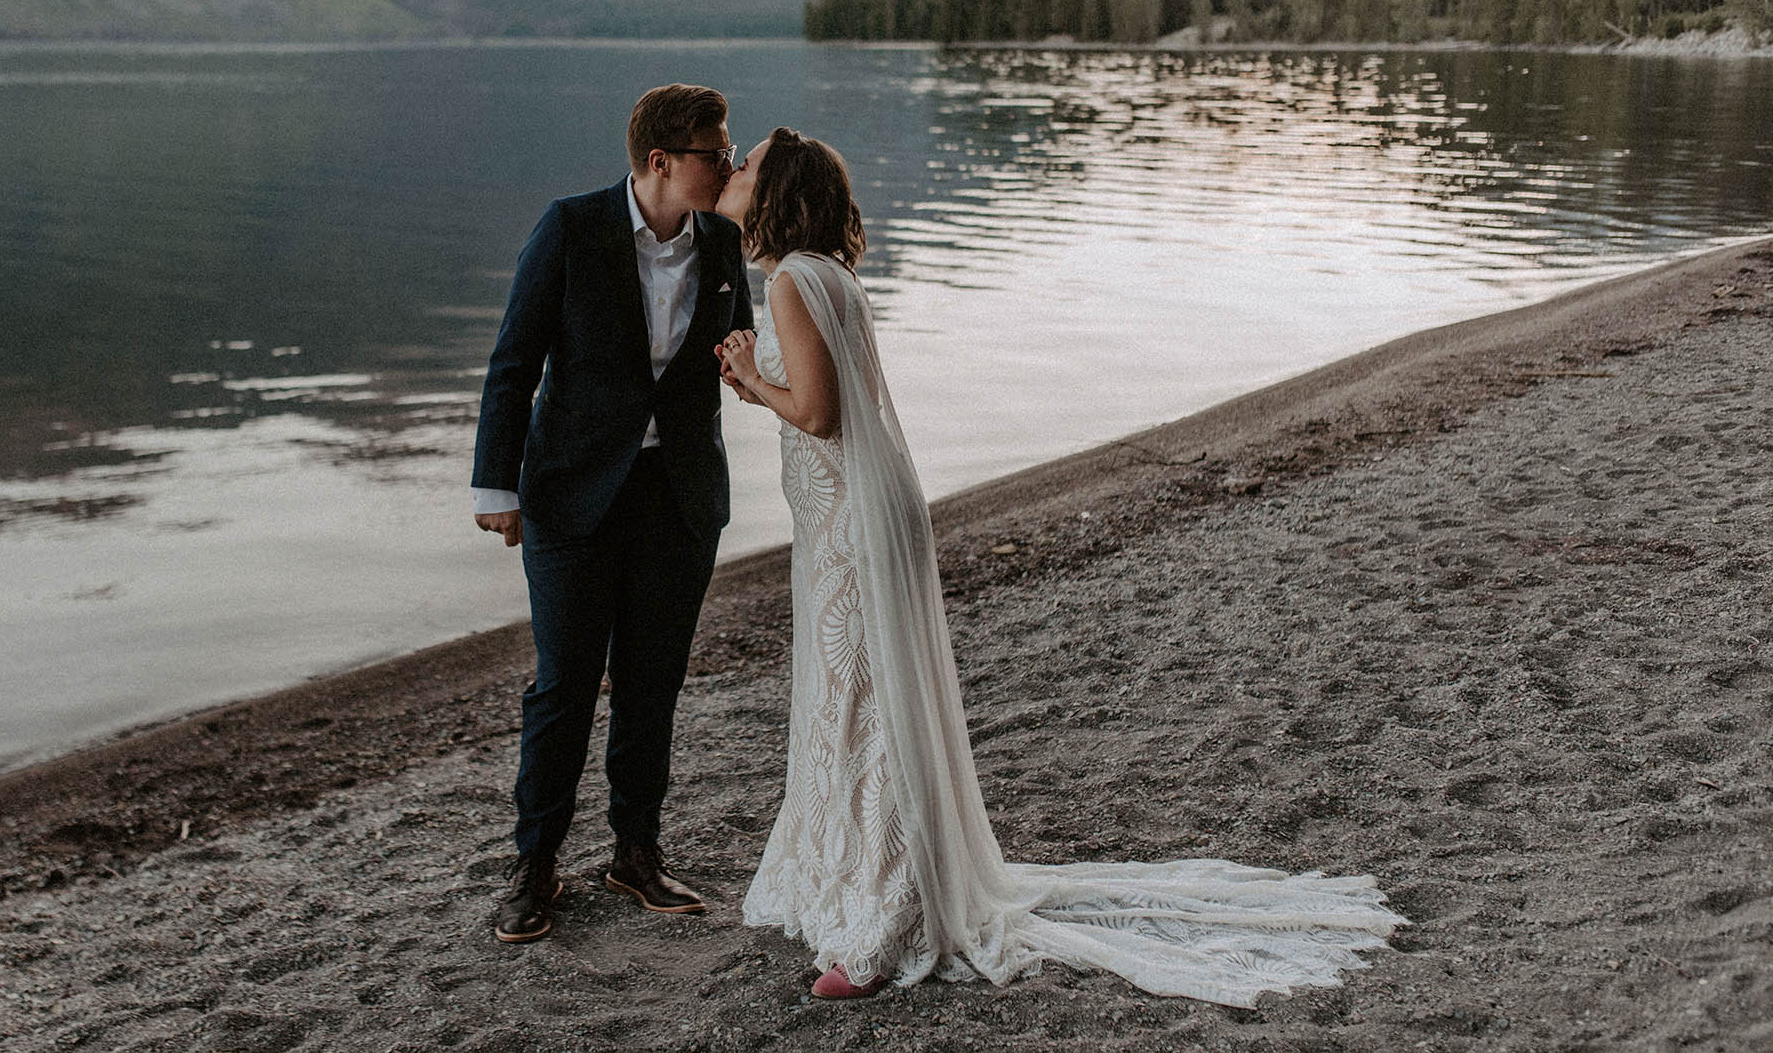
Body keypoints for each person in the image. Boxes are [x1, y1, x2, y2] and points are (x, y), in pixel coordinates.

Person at [714, 127, 1404, 1004]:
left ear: (775, 194)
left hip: (851, 520)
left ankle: (886, 921)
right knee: (862, 701)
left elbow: (815, 414)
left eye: (748, 166)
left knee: (866, 709)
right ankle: (856, 881)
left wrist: (747, 377)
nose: (734, 172)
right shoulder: (827, 275)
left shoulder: (788, 285)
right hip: (858, 511)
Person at [472, 83, 753, 944]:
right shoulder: (571, 227)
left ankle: (637, 851)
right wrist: (497, 485)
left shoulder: (724, 240)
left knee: (651, 684)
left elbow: (743, 343)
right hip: (570, 494)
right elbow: (514, 360)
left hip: (678, 498)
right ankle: (535, 865)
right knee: (562, 686)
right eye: (717, 152)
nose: (730, 163)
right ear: (662, 162)